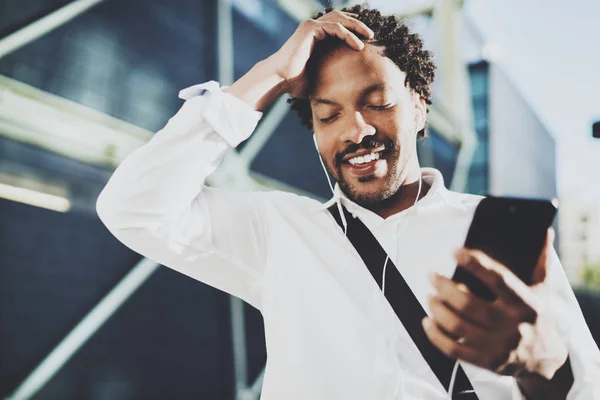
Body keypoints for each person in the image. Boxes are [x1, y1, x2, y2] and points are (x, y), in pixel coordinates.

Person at [96, 5, 600, 400]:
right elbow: (131, 209)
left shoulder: (496, 235)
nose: (356, 131)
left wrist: (542, 366)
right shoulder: (278, 233)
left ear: (419, 106)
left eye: (376, 103)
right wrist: (268, 74)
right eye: (328, 115)